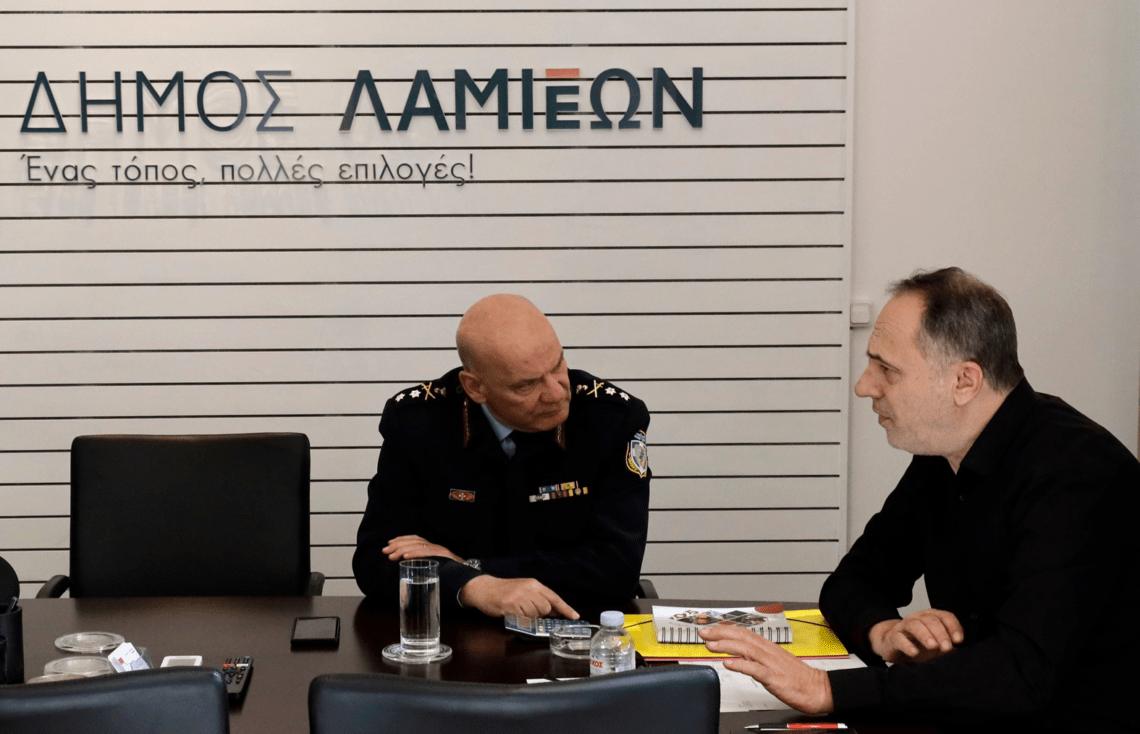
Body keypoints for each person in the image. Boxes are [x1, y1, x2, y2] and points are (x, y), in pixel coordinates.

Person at [699, 268, 1139, 730]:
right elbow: (852, 581)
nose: (864, 386)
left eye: (887, 369)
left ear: (964, 381)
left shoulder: (1080, 474)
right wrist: (884, 631)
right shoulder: (945, 451)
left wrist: (828, 689)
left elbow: (1019, 674)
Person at [353, 294, 651, 620]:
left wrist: (471, 568)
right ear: (475, 388)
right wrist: (472, 588)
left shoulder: (611, 420)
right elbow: (375, 562)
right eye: (526, 385)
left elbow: (617, 568)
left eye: (558, 365)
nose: (556, 393)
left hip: (575, 626)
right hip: (454, 629)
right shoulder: (418, 424)